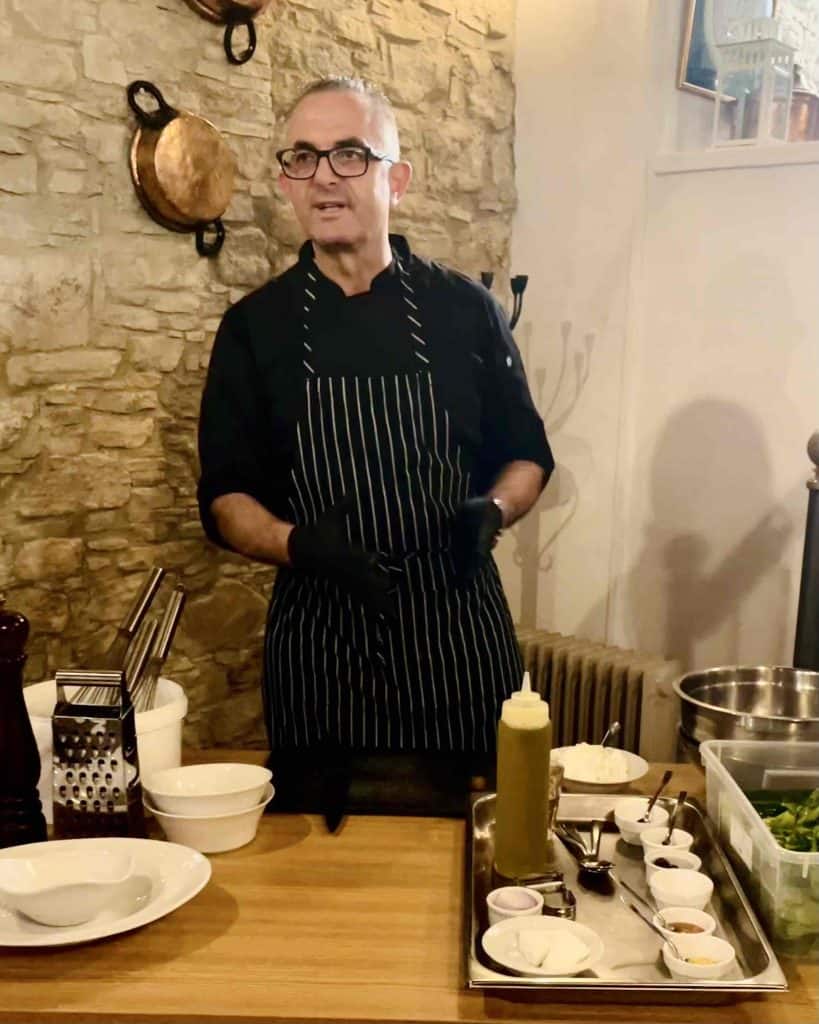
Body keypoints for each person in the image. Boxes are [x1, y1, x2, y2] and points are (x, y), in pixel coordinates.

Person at [197, 76, 554, 827]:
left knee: (478, 854)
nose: (323, 175)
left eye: (349, 154)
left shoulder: (465, 311)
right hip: (321, 654)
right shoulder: (253, 329)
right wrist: (296, 544)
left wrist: (491, 509)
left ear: (397, 178)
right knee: (324, 893)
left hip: (456, 637)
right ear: (287, 184)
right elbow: (225, 497)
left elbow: (526, 455)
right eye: (303, 157)